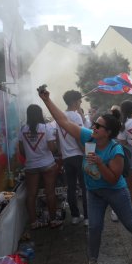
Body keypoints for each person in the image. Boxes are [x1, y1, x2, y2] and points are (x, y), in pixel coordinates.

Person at [37, 89, 132, 264]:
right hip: (94, 192)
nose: (94, 127)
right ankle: (93, 262)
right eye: (95, 125)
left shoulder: (115, 151)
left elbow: (113, 178)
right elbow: (63, 122)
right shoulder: (88, 136)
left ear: (108, 133)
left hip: (115, 192)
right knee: (95, 227)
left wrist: (99, 163)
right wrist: (47, 100)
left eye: (98, 126)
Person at [18, 104, 62, 229]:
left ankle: (34, 222)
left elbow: (21, 150)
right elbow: (52, 148)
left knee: (31, 194)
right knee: (50, 193)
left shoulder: (23, 129)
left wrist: (32, 155)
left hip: (31, 166)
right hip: (47, 164)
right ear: (39, 114)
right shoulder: (46, 128)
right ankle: (53, 220)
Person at [57, 90, 88, 225]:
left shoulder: (60, 116)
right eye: (80, 101)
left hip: (67, 157)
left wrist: (62, 152)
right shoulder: (75, 117)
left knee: (71, 187)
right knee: (85, 187)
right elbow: (78, 136)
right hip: (78, 155)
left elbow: (58, 138)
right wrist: (86, 152)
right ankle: (87, 217)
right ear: (74, 102)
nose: (81, 102)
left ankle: (75, 216)